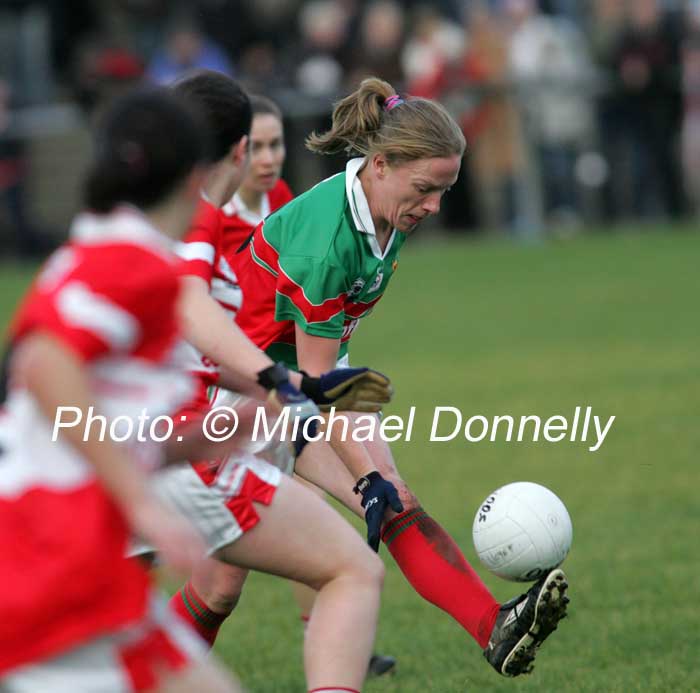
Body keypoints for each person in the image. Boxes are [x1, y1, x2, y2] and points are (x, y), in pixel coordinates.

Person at [232, 77, 571, 678]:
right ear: (380, 164)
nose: (435, 206)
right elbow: (314, 385)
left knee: (394, 495)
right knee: (218, 589)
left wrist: (372, 471)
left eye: (445, 190)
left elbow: (320, 365)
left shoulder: (385, 208)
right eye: (426, 189)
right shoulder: (327, 244)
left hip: (294, 379)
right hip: (238, 395)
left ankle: (495, 630)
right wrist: (364, 475)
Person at [134, 70, 390, 693]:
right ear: (242, 150)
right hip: (126, 458)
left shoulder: (173, 220)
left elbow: (189, 349)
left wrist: (293, 388)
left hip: (142, 451)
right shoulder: (196, 220)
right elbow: (193, 317)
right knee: (351, 570)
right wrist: (278, 375)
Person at [0, 87, 240, 693]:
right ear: (196, 178)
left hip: (70, 555)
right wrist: (141, 503)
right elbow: (45, 363)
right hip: (53, 561)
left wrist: (213, 438)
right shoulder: (137, 262)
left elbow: (91, 424)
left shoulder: (105, 247)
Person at [200, 92, 396, 677]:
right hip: (216, 397)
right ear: (229, 153)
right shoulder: (204, 218)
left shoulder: (287, 201)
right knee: (207, 578)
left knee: (325, 551)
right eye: (252, 146)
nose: (265, 158)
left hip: (270, 394)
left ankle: (336, 632)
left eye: (274, 144)